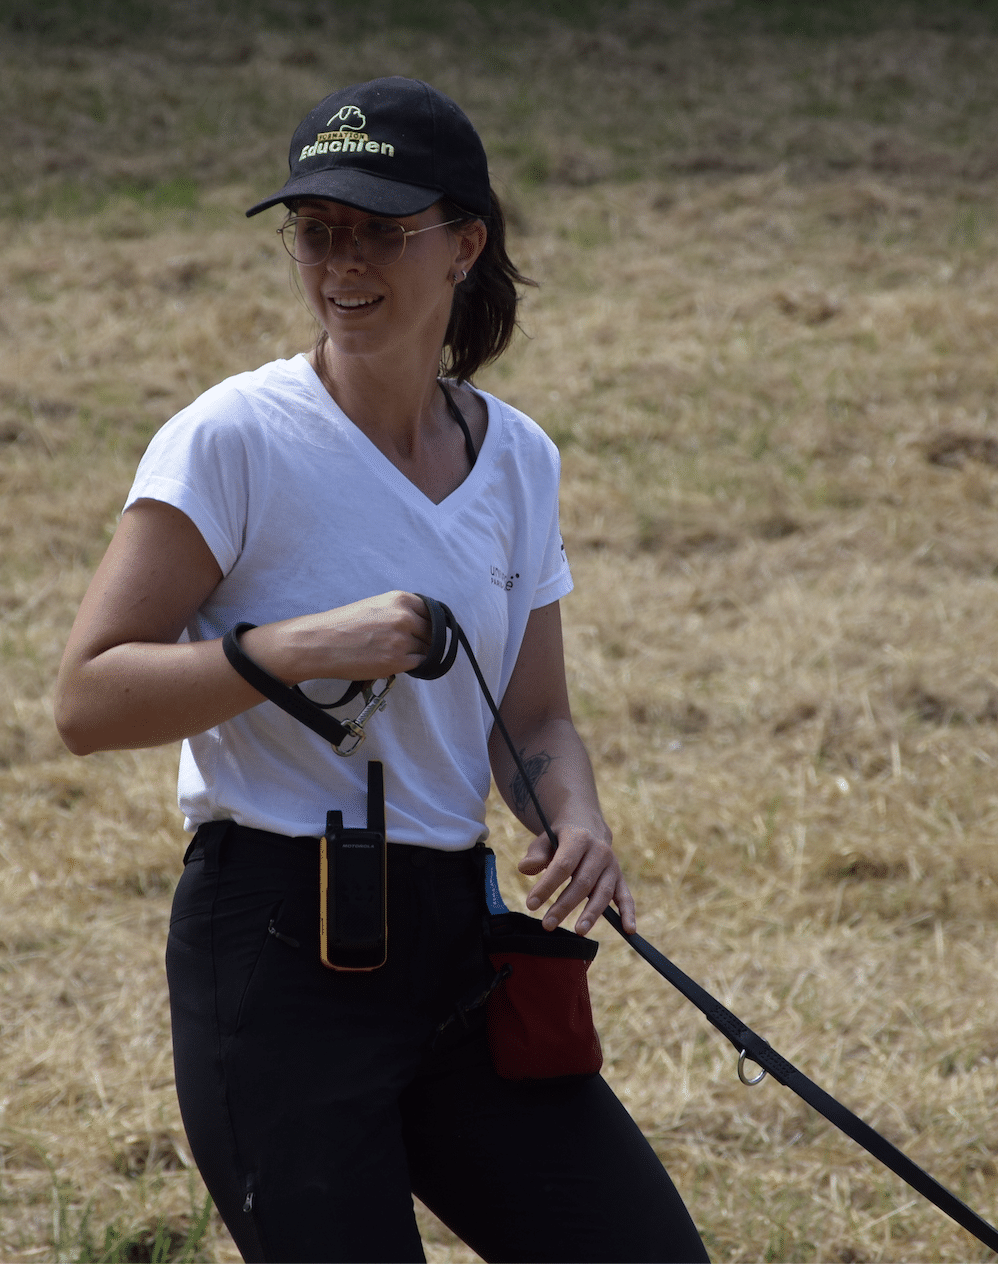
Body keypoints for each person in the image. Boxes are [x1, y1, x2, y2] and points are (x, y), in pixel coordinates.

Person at [55, 76, 708, 1264]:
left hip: (460, 950)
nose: (338, 263)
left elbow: (540, 717)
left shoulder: (517, 459)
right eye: (315, 233)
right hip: (273, 958)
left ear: (464, 244)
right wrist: (291, 649)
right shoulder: (232, 438)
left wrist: (577, 816)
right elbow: (86, 698)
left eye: (377, 231)